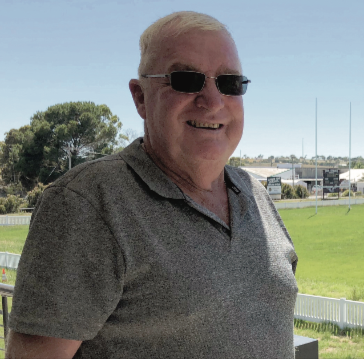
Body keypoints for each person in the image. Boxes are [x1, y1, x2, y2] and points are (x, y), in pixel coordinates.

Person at [7, 11, 298, 359]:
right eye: (186, 79)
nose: (213, 101)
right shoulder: (87, 204)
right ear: (140, 97)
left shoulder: (255, 193)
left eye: (230, 82)